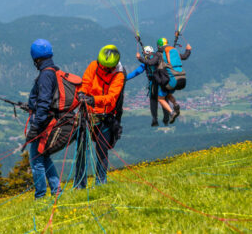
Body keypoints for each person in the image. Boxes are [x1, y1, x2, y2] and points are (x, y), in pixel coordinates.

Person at [74, 44, 125, 188]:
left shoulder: (119, 75)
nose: (102, 68)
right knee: (81, 150)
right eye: (101, 65)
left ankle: (101, 183)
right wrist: (82, 93)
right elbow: (86, 81)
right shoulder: (94, 65)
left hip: (105, 117)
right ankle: (79, 184)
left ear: (112, 67)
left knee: (102, 151)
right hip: (88, 114)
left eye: (105, 67)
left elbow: (112, 97)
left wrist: (94, 100)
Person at [25, 39, 60, 199]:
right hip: (46, 120)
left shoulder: (46, 75)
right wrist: (31, 105)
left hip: (42, 123)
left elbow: (45, 103)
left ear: (36, 58)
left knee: (37, 160)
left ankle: (40, 196)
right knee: (44, 157)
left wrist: (35, 127)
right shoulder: (52, 70)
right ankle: (56, 190)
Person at [137, 38, 191, 124]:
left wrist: (140, 58)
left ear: (158, 46)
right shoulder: (174, 52)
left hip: (170, 80)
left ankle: (171, 112)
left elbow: (150, 62)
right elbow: (185, 56)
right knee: (168, 93)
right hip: (181, 78)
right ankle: (175, 104)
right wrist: (188, 49)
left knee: (160, 98)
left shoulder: (159, 54)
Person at [127, 46, 170, 126]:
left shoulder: (146, 63)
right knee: (164, 99)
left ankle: (155, 119)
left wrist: (125, 78)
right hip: (162, 83)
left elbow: (136, 72)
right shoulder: (159, 58)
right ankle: (166, 117)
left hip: (153, 83)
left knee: (153, 101)